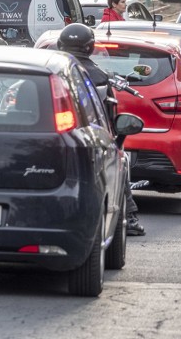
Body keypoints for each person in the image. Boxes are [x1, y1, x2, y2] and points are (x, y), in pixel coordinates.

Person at [57, 23, 145, 236]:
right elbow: (109, 119)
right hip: (92, 141)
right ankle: (130, 217)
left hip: (51, 138)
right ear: (90, 47)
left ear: (60, 44)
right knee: (119, 161)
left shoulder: (51, 71)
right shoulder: (100, 77)